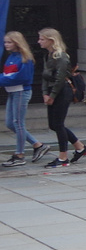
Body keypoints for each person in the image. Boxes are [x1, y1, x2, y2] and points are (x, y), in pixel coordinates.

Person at [34, 29, 86, 169]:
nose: (39, 42)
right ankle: (80, 147)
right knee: (53, 124)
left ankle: (63, 157)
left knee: (58, 124)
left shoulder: (62, 57)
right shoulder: (48, 55)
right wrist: (45, 93)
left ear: (51, 40)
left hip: (62, 91)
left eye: (42, 39)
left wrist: (52, 96)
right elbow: (45, 76)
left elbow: (60, 79)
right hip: (53, 91)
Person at [2, 32, 45, 168]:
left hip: (21, 91)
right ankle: (37, 145)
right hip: (13, 91)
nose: (6, 45)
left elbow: (21, 77)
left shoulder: (25, 58)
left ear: (17, 42)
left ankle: (19, 155)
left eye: (9, 42)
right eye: (5, 42)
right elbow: (8, 75)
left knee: (18, 123)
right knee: (10, 123)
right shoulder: (11, 58)